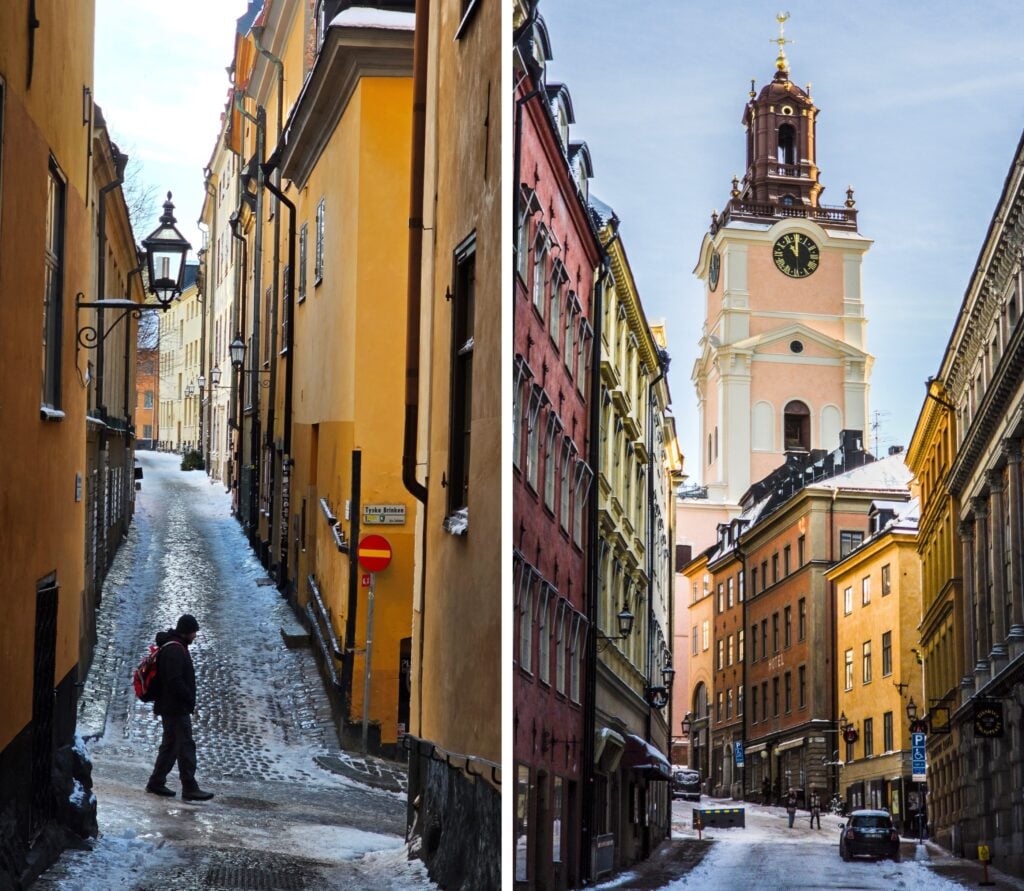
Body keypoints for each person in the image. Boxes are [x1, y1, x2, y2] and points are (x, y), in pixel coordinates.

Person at [145, 614, 214, 801]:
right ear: (186, 632)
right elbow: (174, 680)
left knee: (171, 745)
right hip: (175, 707)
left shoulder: (174, 646)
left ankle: (156, 782)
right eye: (194, 632)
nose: (195, 636)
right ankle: (189, 786)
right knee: (185, 746)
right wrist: (188, 697)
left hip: (171, 705)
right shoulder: (175, 650)